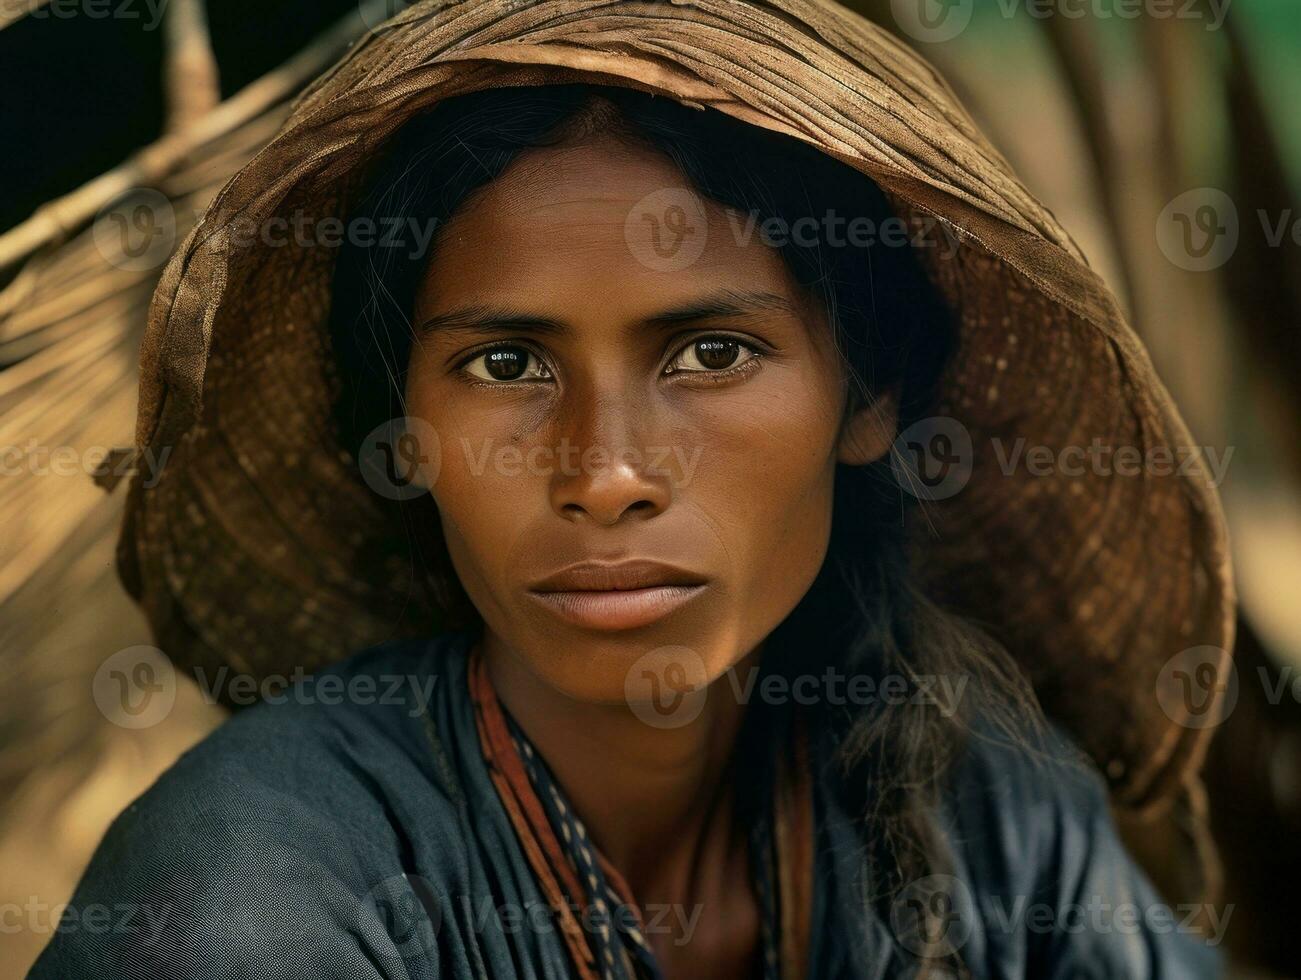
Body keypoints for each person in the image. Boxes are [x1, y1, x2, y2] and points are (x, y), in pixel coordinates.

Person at [29, 1, 1234, 977]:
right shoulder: (247, 896)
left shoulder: (989, 816)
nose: (603, 473)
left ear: (867, 400)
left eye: (709, 353)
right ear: (403, 438)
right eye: (504, 365)